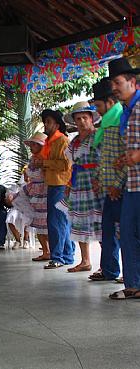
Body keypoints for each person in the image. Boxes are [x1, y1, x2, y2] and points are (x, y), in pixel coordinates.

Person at [107, 58, 140, 300]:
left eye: (118, 83)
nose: (115, 88)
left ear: (132, 82)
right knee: (127, 232)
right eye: (112, 85)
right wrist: (124, 159)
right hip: (133, 182)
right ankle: (134, 285)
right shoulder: (125, 112)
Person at [59, 102, 103, 272]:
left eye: (85, 117)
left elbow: (104, 160)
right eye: (78, 119)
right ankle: (85, 261)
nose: (82, 121)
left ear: (91, 119)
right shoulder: (74, 142)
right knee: (79, 221)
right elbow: (71, 165)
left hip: (95, 182)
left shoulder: (98, 136)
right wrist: (69, 184)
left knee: (99, 222)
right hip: (79, 184)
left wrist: (101, 180)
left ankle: (105, 264)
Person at [89, 78, 125, 282]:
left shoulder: (120, 119)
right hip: (109, 188)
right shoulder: (105, 124)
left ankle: (131, 274)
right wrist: (100, 180)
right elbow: (105, 158)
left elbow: (125, 156)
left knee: (126, 232)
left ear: (110, 102)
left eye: (99, 105)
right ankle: (110, 270)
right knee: (109, 230)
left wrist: (116, 184)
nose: (98, 110)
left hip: (120, 187)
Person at [34, 109, 75, 269]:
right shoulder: (50, 141)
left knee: (56, 222)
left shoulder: (62, 140)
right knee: (60, 221)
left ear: (57, 125)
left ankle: (58, 256)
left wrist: (44, 163)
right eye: (45, 121)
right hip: (53, 184)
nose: (45, 124)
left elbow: (66, 164)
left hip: (60, 184)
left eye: (49, 122)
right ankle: (67, 255)